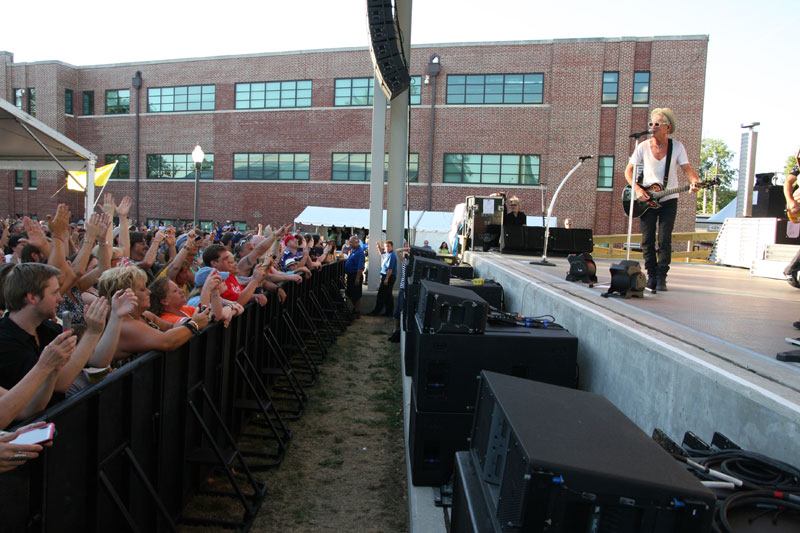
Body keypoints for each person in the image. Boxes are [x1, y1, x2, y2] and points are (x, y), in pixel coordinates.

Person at [624, 108, 700, 292]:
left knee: (665, 239)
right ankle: (651, 276)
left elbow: (687, 169)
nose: (653, 127)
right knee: (647, 239)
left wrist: (694, 181)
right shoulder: (642, 146)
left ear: (667, 127)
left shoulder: (677, 147)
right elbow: (629, 171)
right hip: (646, 199)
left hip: (669, 199)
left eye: (657, 124)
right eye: (651, 124)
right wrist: (637, 189)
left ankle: (662, 276)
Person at [369, 241, 397, 317]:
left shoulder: (391, 255)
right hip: (386, 276)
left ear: (392, 247)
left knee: (381, 295)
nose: (386, 248)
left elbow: (390, 269)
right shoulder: (387, 254)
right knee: (388, 296)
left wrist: (386, 279)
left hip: (389, 277)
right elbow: (381, 253)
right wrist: (378, 247)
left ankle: (376, 311)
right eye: (385, 246)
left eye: (388, 246)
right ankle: (389, 312)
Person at [344, 235, 365, 318]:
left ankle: (357, 311)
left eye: (351, 242)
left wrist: (357, 278)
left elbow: (360, 267)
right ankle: (355, 309)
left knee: (356, 295)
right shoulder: (354, 251)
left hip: (355, 275)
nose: (350, 244)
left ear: (356, 243)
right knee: (350, 293)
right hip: (351, 275)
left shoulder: (359, 252)